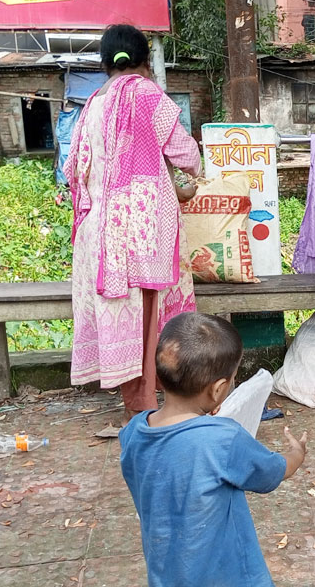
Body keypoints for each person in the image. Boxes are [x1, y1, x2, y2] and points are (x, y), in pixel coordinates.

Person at [68, 24, 202, 417]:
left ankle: (137, 405)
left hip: (97, 236)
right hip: (138, 230)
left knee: (125, 321)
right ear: (145, 60)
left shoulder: (93, 102)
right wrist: (188, 176)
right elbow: (184, 153)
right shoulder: (145, 94)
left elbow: (76, 169)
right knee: (145, 320)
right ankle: (148, 409)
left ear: (105, 63)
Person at [120, 312, 309, 587]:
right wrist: (297, 453)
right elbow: (272, 473)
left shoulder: (133, 432)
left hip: (167, 575)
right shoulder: (222, 440)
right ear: (219, 389)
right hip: (229, 576)